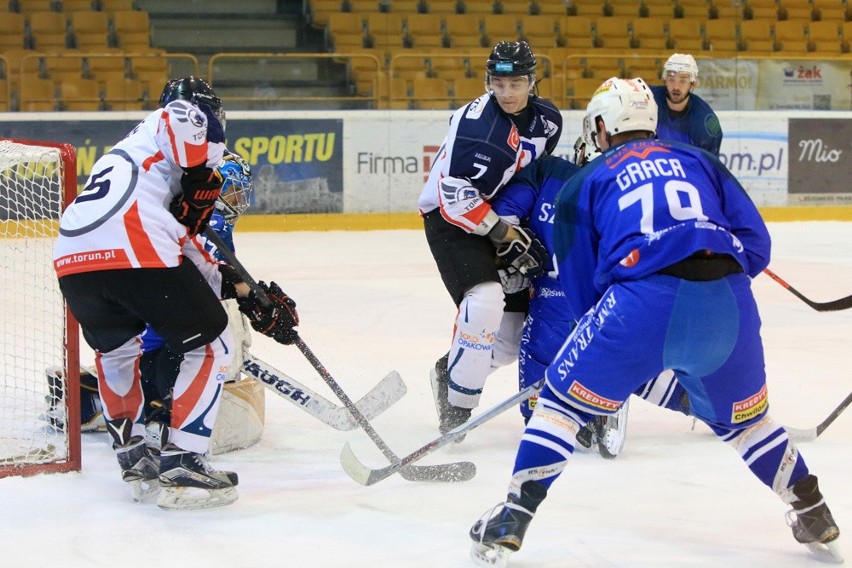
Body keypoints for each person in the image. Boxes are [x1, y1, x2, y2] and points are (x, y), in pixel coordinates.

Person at [469, 77, 841, 565]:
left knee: (559, 403)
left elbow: (580, 289)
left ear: (602, 127)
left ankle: (512, 517)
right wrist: (711, 288)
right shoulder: (703, 161)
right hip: (728, 300)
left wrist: (623, 329)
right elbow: (757, 246)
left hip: (640, 301)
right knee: (747, 423)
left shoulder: (586, 179)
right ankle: (812, 510)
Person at [52, 76, 299, 510]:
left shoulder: (135, 160)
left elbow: (184, 246)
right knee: (214, 343)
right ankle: (184, 461)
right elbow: (182, 110)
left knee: (115, 353)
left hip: (73, 257)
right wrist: (203, 172)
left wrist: (245, 291)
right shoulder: (173, 122)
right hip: (133, 246)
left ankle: (133, 456)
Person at [490, 117, 691, 459]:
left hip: (606, 310)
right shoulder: (549, 173)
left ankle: (709, 401)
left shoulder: (629, 189)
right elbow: (500, 219)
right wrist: (510, 251)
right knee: (540, 412)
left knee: (637, 355)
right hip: (554, 310)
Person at [417, 40, 563, 436]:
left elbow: (532, 177)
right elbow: (454, 198)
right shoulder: (477, 130)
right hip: (450, 219)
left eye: (516, 83)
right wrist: (503, 234)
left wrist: (516, 225)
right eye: (499, 84)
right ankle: (457, 406)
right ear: (489, 83)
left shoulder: (548, 120)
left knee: (513, 334)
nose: (508, 93)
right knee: (485, 299)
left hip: (500, 215)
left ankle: (450, 370)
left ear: (533, 81)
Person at [650, 53, 723, 156]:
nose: (676, 86)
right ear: (665, 81)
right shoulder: (647, 99)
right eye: (671, 79)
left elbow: (708, 168)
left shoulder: (704, 122)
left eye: (683, 81)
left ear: (693, 84)